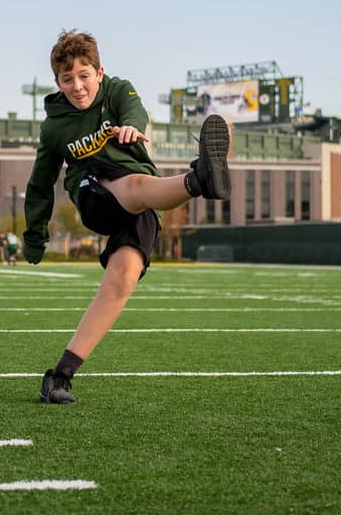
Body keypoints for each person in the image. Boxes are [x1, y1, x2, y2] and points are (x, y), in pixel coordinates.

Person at [23, 30, 231, 404]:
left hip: (139, 194)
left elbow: (134, 109)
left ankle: (60, 376)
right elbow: (40, 182)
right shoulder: (55, 127)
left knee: (122, 280)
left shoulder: (117, 91)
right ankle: (199, 179)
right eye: (67, 79)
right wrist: (35, 235)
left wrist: (133, 125)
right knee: (135, 185)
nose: (78, 86)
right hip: (93, 191)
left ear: (99, 73)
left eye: (84, 76)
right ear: (57, 82)